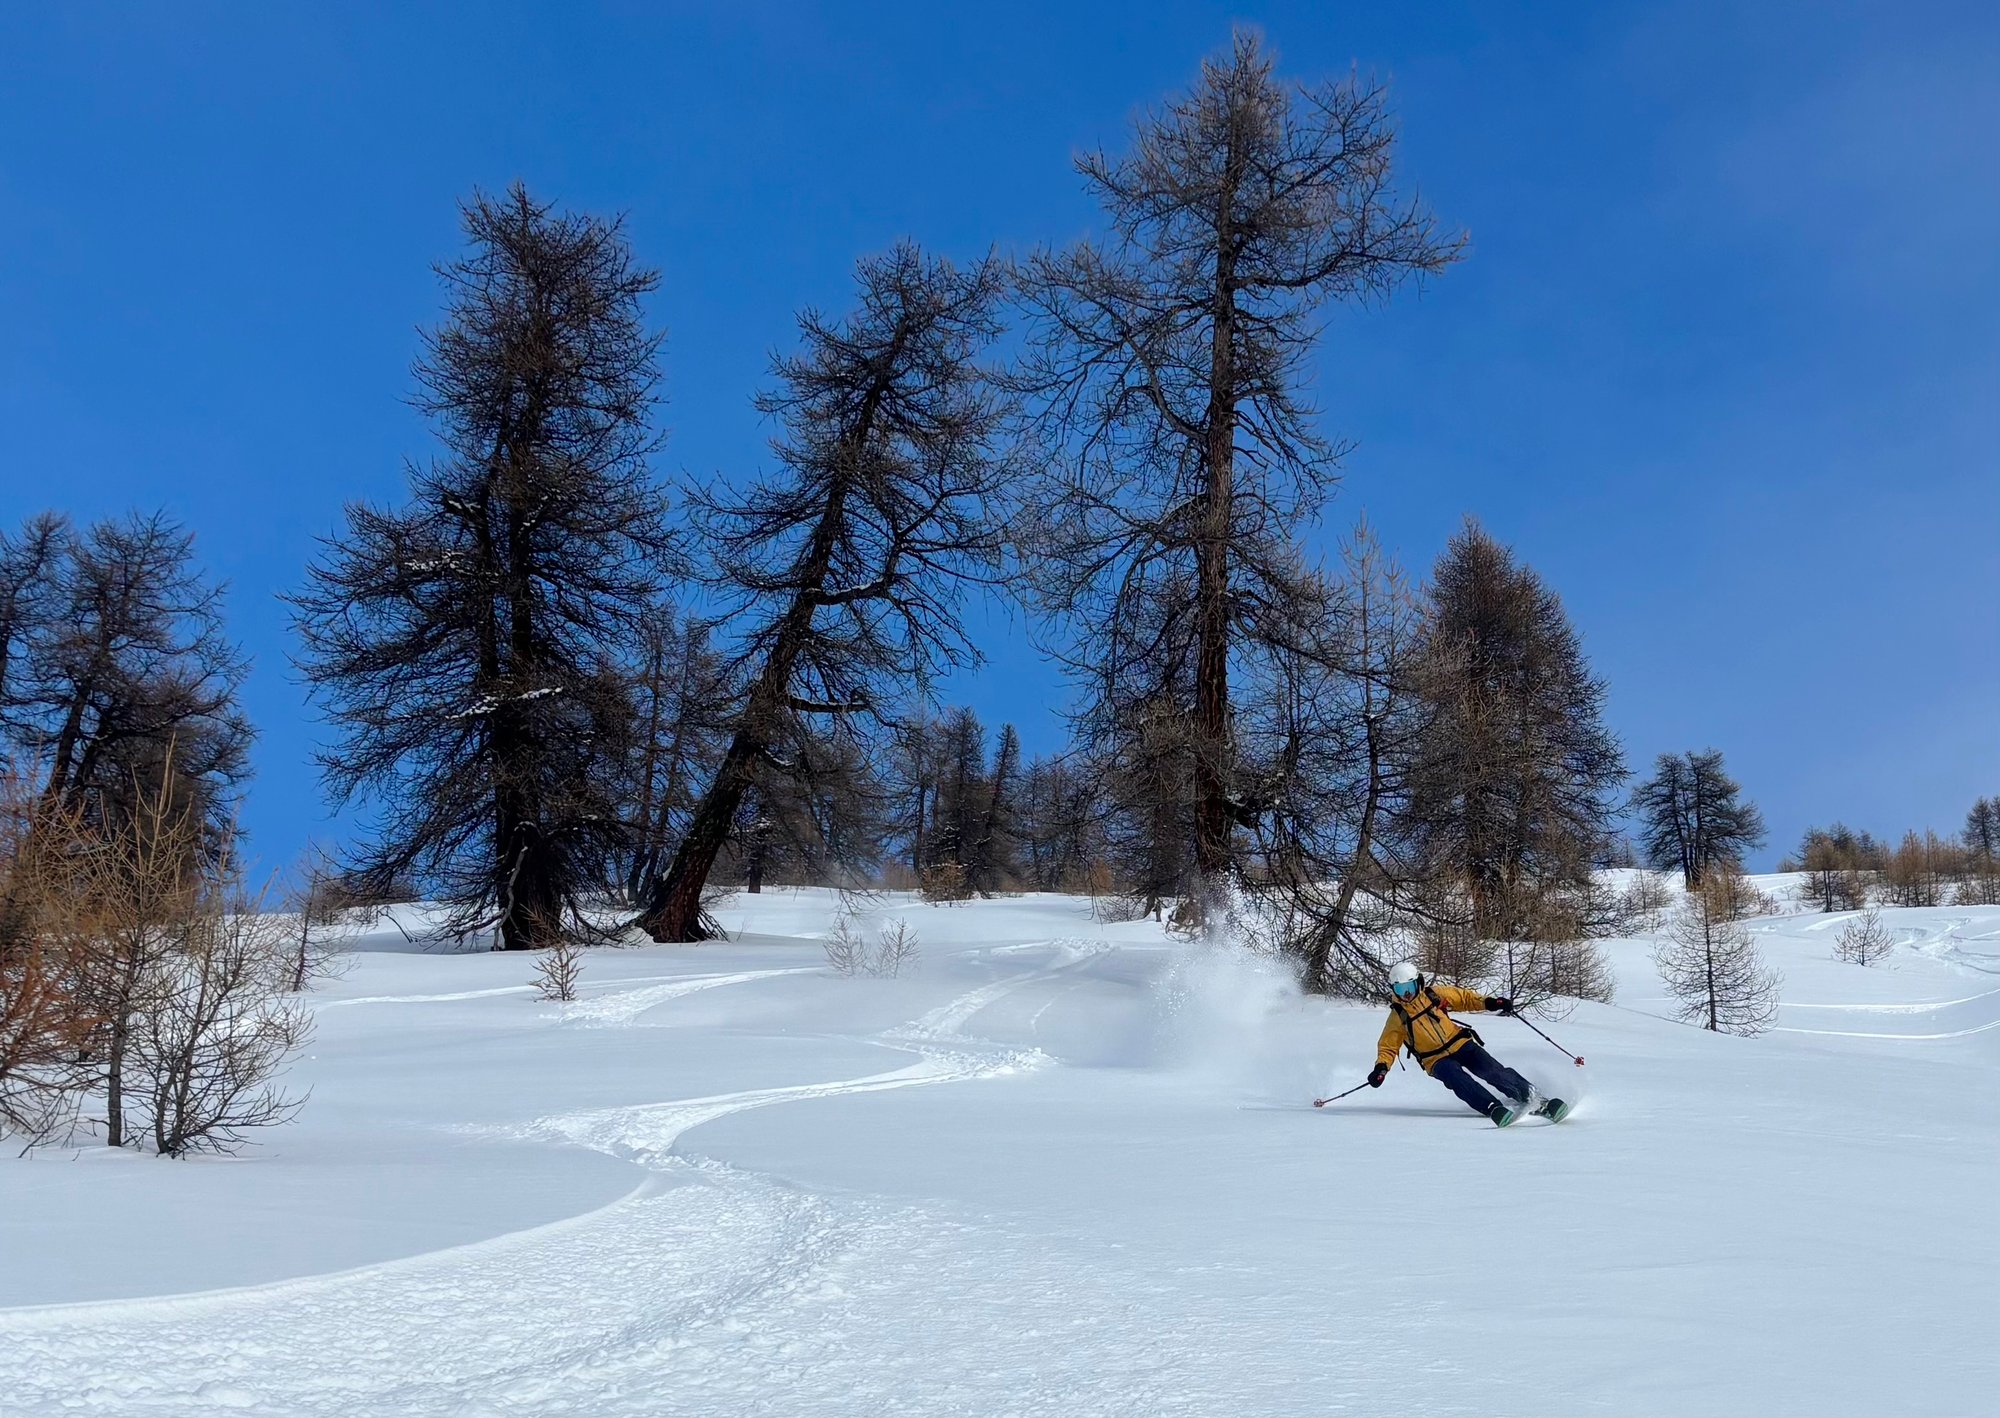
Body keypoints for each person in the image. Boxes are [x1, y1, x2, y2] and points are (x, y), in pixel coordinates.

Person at [1366, 960, 1566, 1125]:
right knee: (1457, 1078)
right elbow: (1388, 1046)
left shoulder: (1433, 994)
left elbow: (1464, 998)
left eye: (1409, 987)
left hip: (1459, 1043)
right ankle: (1492, 1107)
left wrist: (1490, 1002)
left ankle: (1537, 1100)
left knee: (1493, 1071)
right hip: (1435, 1059)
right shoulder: (1398, 1016)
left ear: (1418, 982)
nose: (1407, 994)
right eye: (1401, 990)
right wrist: (1381, 1068)